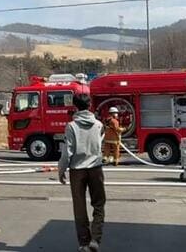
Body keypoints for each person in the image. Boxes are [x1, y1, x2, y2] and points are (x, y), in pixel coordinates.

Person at [58, 94, 105, 252]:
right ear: (90, 105)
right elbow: (100, 144)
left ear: (75, 106)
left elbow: (67, 151)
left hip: (77, 170)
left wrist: (61, 169)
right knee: (98, 204)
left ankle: (84, 242)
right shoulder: (98, 125)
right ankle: (96, 240)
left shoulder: (71, 126)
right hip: (96, 168)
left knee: (79, 207)